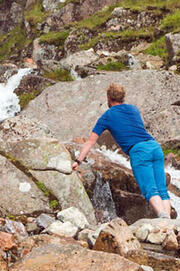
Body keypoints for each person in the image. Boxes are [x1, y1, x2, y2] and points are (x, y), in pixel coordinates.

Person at [72, 82, 172, 218]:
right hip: (155, 147)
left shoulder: (107, 116)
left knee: (150, 190)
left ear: (108, 97)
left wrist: (78, 161)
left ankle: (164, 219)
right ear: (123, 97)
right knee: (162, 190)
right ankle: (169, 222)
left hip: (139, 151)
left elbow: (90, 142)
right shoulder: (133, 109)